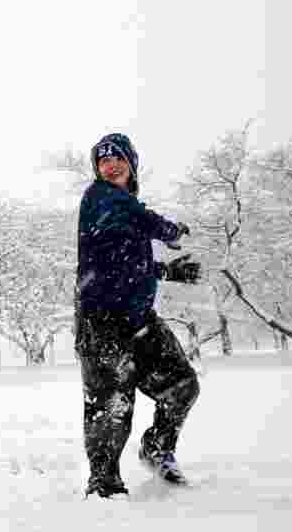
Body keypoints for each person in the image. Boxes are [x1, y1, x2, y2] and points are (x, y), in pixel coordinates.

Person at [74, 133, 202, 499]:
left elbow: (126, 263)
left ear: (131, 165)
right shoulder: (100, 198)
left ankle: (158, 447)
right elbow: (138, 218)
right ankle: (104, 486)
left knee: (181, 384)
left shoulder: (123, 211)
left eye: (118, 159)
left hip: (138, 318)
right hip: (100, 323)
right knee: (112, 406)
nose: (110, 164)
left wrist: (168, 272)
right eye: (103, 160)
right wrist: (169, 230)